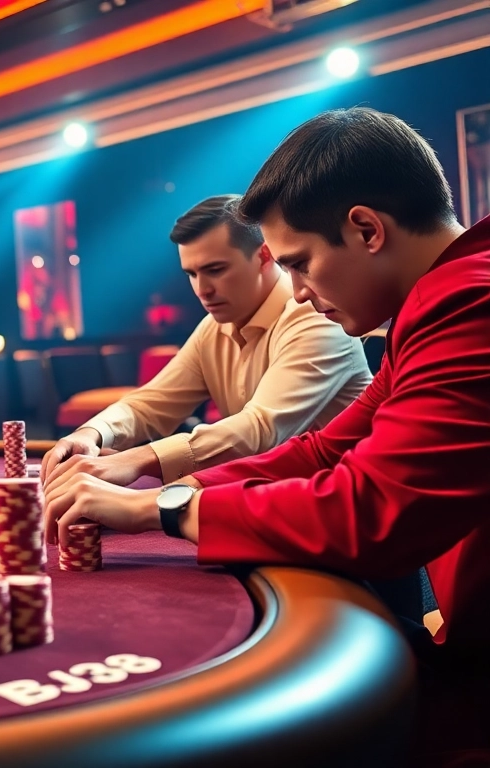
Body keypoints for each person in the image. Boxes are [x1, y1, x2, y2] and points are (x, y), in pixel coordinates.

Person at [42, 108, 490, 762]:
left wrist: (158, 507)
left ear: (366, 228)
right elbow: (323, 450)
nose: (301, 292)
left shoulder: (468, 304)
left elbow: (371, 512)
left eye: (301, 263)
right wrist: (173, 486)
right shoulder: (429, 308)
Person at [41, 194, 371, 487]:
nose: (202, 289)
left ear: (264, 256)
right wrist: (91, 433)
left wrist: (136, 460)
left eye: (215, 269)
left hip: (352, 511)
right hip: (273, 502)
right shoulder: (213, 327)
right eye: (192, 274)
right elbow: (150, 403)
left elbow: (260, 431)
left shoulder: (316, 316)